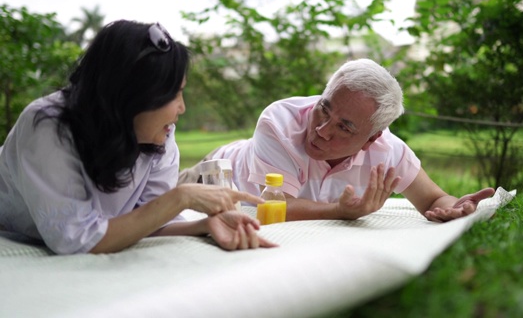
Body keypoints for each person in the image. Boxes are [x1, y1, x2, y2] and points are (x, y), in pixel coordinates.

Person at [0, 20, 276, 255]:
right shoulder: (48, 126)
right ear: (130, 96)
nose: (182, 108)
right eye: (173, 95)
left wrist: (203, 226)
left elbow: (149, 221)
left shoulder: (159, 135)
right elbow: (76, 238)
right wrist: (181, 197)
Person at [179, 58, 495, 222]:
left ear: (372, 138)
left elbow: (432, 199)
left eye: (344, 128)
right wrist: (339, 211)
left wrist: (454, 208)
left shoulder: (388, 152)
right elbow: (276, 207)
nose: (322, 130)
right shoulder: (278, 122)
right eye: (323, 109)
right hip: (217, 174)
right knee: (160, 194)